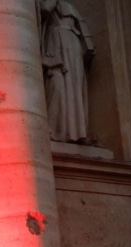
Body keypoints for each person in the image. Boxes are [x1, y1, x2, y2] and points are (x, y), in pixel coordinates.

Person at [39, 0, 95, 143]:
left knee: (74, 88)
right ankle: (53, 130)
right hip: (56, 43)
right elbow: (44, 10)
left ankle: (77, 133)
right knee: (58, 85)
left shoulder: (71, 7)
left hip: (73, 45)